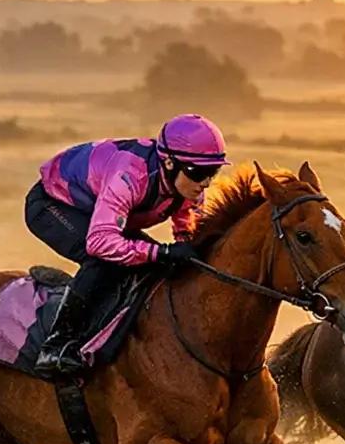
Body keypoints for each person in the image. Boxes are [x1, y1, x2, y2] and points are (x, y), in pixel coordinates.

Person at [25, 113, 229, 376]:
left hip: (100, 210)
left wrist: (185, 245)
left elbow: (187, 226)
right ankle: (56, 345)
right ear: (168, 162)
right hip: (53, 204)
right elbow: (100, 243)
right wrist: (161, 251)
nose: (205, 183)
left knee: (155, 265)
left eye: (213, 172)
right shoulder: (129, 176)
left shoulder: (189, 186)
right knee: (104, 261)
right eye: (198, 172)